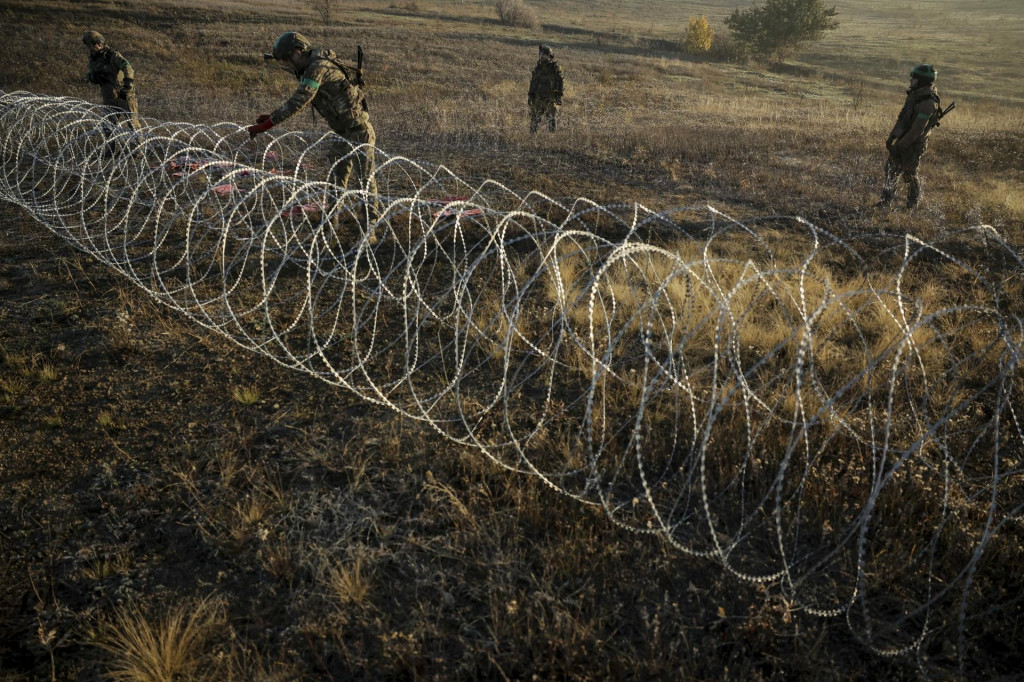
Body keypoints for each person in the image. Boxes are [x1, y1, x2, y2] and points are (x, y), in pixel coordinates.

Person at [248, 31, 380, 225]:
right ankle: (331, 221)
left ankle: (371, 229)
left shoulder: (317, 68)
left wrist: (267, 124)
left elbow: (299, 100)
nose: (287, 65)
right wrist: (271, 117)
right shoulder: (311, 67)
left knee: (364, 183)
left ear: (298, 52)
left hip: (358, 131)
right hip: (341, 132)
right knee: (336, 179)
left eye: (287, 60)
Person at [880, 64, 941, 210]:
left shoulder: (927, 103)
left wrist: (899, 147)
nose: (911, 80)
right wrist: (892, 137)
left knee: (909, 174)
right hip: (903, 140)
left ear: (922, 81)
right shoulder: (915, 96)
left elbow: (917, 130)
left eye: (914, 78)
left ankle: (911, 207)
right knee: (891, 170)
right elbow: (903, 119)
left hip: (914, 144)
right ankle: (885, 202)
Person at [83, 30, 141, 131]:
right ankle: (111, 147)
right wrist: (96, 77)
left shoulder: (113, 55)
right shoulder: (93, 60)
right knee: (108, 128)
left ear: (99, 44)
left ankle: (140, 146)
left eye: (90, 46)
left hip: (124, 95)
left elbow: (127, 67)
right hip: (109, 97)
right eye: (88, 46)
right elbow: (90, 76)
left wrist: (128, 83)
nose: (89, 49)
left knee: (133, 126)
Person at [528, 45, 563, 134]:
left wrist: (558, 96)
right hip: (538, 98)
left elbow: (560, 82)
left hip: (550, 99)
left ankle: (552, 139)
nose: (542, 56)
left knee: (551, 120)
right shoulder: (538, 68)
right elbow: (533, 82)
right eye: (541, 54)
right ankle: (532, 138)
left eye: (544, 54)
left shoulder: (554, 68)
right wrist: (530, 95)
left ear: (549, 56)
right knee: (534, 120)